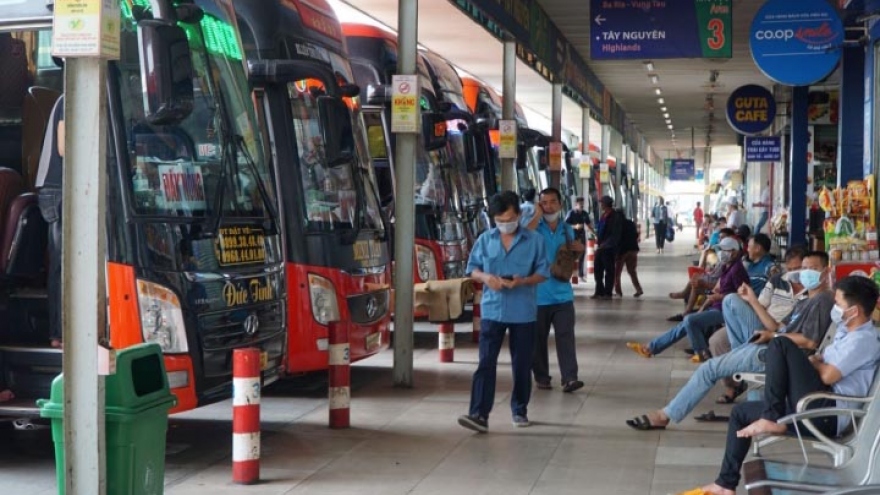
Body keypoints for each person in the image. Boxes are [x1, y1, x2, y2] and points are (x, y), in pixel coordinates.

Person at [675, 275, 880, 495]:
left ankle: (770, 417)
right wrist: (815, 362)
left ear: (854, 311)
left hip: (827, 413)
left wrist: (813, 363)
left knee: (781, 343)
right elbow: (821, 362)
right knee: (740, 413)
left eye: (838, 304)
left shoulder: (863, 340)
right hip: (817, 403)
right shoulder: (846, 331)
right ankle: (724, 484)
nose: (835, 308)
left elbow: (828, 375)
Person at [626, 251, 832, 432]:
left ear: (826, 272)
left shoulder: (822, 300)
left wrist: (773, 337)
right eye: (803, 268)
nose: (805, 273)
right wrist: (752, 300)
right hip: (772, 343)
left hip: (778, 354)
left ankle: (665, 415)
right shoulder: (806, 300)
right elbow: (775, 326)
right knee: (731, 299)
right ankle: (739, 354)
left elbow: (809, 342)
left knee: (709, 369)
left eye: (813, 269)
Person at [458, 191, 550, 432]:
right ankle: (478, 413)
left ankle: (519, 409)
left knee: (521, 364)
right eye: (499, 220)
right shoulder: (485, 240)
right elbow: (473, 269)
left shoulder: (534, 241)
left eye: (508, 218)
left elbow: (543, 273)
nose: (504, 224)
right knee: (486, 362)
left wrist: (522, 281)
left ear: (519, 215)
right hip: (492, 311)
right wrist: (486, 277)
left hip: (523, 312)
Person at [627, 236, 749, 361]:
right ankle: (650, 348)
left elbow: (742, 296)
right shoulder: (726, 266)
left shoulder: (737, 270)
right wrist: (703, 306)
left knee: (690, 320)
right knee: (686, 323)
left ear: (735, 251)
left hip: (728, 311)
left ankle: (702, 353)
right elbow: (717, 289)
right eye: (721, 250)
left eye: (725, 250)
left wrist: (719, 296)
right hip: (717, 307)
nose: (722, 253)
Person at [529, 188, 584, 393]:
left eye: (553, 202)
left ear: (560, 205)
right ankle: (542, 376)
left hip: (562, 294)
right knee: (538, 340)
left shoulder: (567, 230)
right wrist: (536, 215)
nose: (549, 206)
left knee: (565, 336)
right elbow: (523, 239)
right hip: (537, 295)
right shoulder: (534, 227)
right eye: (544, 202)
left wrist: (578, 252)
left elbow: (569, 260)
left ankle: (570, 377)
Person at [35, 94, 64, 349]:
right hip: (58, 190)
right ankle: (59, 333)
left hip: (62, 188)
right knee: (62, 264)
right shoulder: (70, 98)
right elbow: (64, 147)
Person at [591, 195, 622, 300]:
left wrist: (606, 244)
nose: (601, 205)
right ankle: (599, 291)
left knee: (609, 271)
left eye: (602, 203)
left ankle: (608, 293)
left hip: (609, 249)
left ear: (606, 204)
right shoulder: (604, 215)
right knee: (597, 270)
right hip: (601, 247)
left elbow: (615, 234)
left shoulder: (615, 217)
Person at [614, 212, 643, 297]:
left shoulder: (617, 225)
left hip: (622, 251)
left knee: (617, 273)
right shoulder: (630, 223)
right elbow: (636, 234)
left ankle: (618, 292)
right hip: (633, 249)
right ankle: (639, 289)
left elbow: (616, 238)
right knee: (632, 272)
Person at [565, 196, 593, 278]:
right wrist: (574, 226)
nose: (581, 205)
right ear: (576, 204)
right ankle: (571, 274)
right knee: (572, 255)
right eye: (580, 204)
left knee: (582, 254)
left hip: (582, 236)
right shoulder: (571, 213)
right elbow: (565, 225)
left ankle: (580, 274)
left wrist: (594, 234)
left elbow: (589, 225)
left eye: (582, 204)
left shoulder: (584, 214)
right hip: (573, 236)